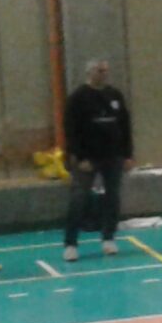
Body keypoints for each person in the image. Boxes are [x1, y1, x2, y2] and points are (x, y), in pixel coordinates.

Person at [61, 58, 132, 262]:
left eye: (106, 70)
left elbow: (125, 125)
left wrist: (127, 154)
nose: (104, 74)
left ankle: (108, 238)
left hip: (113, 156)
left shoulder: (115, 95)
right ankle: (71, 243)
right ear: (90, 72)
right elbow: (70, 130)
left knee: (112, 197)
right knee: (79, 198)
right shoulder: (78, 97)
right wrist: (80, 157)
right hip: (88, 158)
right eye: (100, 71)